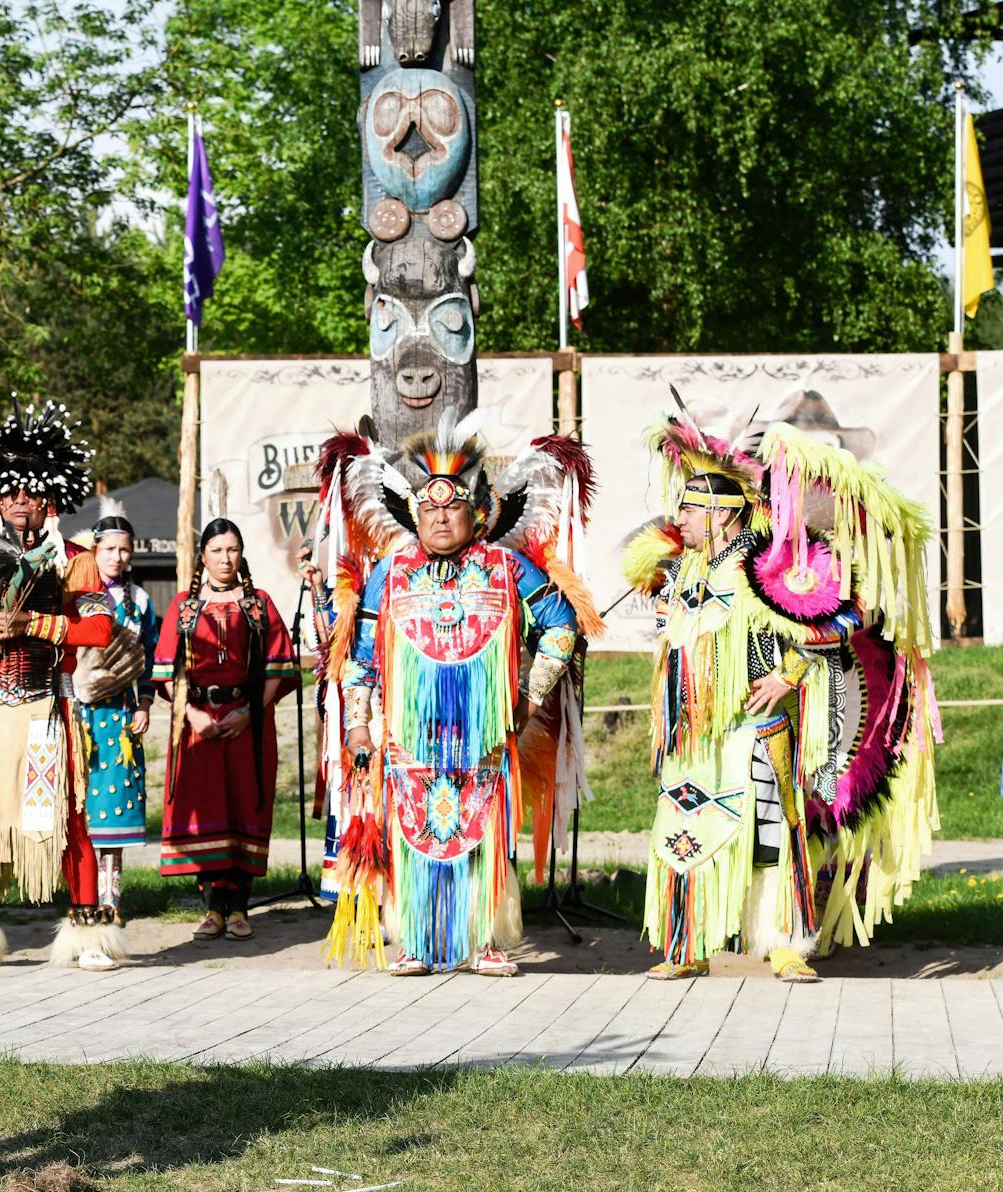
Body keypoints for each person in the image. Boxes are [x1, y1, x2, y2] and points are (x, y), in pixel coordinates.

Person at [622, 403, 939, 981]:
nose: (680, 519)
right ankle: (688, 943)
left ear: (723, 513)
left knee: (772, 834)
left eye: (690, 509)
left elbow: (846, 615)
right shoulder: (682, 570)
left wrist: (788, 674)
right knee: (686, 830)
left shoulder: (768, 562)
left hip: (756, 729)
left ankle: (786, 942)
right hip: (691, 735)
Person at [330, 411, 595, 976]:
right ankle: (415, 942)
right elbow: (360, 657)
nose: (442, 518)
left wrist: (527, 696)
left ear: (475, 513)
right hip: (411, 732)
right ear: (416, 515)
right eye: (430, 509)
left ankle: (485, 941)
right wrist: (358, 723)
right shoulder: (391, 572)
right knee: (413, 827)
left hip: (485, 730)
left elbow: (562, 627)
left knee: (482, 832)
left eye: (453, 508)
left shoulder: (505, 567)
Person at [0, 400, 122, 971]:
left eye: (26, 493)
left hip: (46, 706)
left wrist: (35, 624)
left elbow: (101, 627)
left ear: (47, 497)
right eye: (5, 494)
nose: (15, 503)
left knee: (63, 813)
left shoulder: (75, 562)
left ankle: (87, 933)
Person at [151, 519, 298, 939]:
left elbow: (279, 668)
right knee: (206, 809)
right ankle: (213, 907)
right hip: (197, 724)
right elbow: (166, 673)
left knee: (243, 804)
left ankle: (239, 908)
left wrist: (250, 712)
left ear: (241, 553)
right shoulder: (182, 608)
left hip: (246, 724)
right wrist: (192, 716)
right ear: (203, 556)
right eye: (217, 550)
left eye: (232, 550)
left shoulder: (259, 605)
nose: (225, 558)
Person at [71, 502, 161, 916]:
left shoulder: (139, 601)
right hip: (80, 716)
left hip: (121, 719)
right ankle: (84, 897)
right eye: (108, 550)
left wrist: (144, 704)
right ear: (94, 551)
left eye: (124, 550)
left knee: (114, 809)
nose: (117, 557)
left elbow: (151, 658)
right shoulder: (77, 597)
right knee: (82, 807)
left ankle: (112, 901)